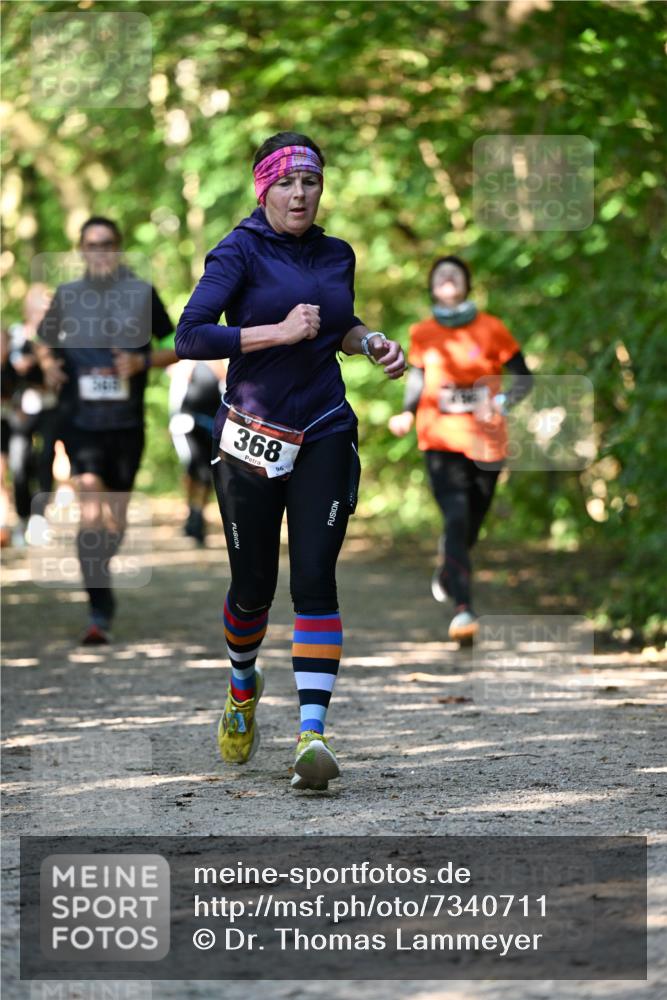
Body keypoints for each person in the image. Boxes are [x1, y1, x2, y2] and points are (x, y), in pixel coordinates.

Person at [176, 131, 405, 791]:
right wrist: (274, 333)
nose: (300, 194)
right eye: (286, 183)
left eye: (310, 182)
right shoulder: (238, 250)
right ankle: (241, 686)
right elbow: (190, 335)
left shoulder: (337, 253)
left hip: (324, 426)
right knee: (252, 590)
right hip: (251, 432)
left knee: (314, 578)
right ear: (263, 190)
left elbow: (338, 324)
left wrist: (369, 341)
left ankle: (311, 735)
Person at [37, 216, 177, 645]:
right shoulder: (68, 295)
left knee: (113, 523)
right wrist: (49, 364)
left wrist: (141, 362)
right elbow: (43, 340)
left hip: (126, 424)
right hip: (80, 422)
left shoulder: (141, 293)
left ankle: (100, 579)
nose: (100, 252)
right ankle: (99, 611)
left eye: (108, 244)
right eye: (92, 245)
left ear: (118, 247)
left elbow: (176, 345)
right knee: (92, 511)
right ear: (82, 250)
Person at [389, 255, 533, 643]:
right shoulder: (423, 332)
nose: (448, 278)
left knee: (471, 523)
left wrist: (501, 403)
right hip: (440, 439)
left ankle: (449, 568)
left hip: (487, 442)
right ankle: (464, 610)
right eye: (440, 274)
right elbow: (417, 379)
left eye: (455, 273)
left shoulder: (492, 328)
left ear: (468, 283)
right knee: (455, 516)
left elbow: (524, 378)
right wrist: (406, 413)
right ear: (432, 287)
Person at [168, 358, 227, 545]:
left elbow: (225, 391)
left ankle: (198, 515)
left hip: (212, 428)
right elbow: (177, 393)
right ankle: (191, 511)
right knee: (192, 468)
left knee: (207, 474)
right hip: (186, 426)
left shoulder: (220, 364)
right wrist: (173, 420)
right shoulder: (186, 364)